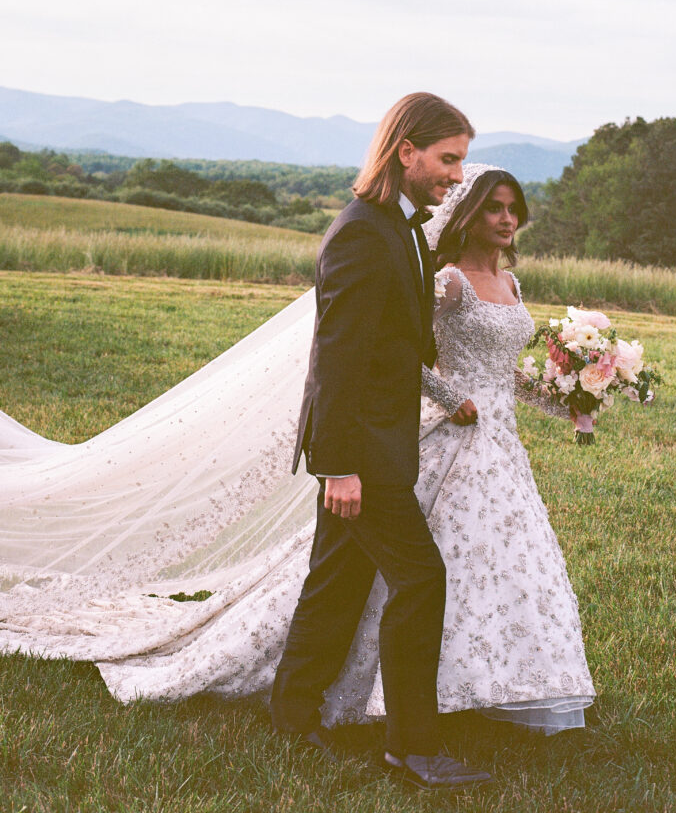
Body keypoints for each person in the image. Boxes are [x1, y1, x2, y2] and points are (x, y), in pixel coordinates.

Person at [0, 163, 594, 776]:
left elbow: (501, 373)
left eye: (512, 208)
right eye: (492, 205)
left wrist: (571, 395)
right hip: (424, 444)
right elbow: (391, 354)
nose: (506, 218)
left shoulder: (510, 283)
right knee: (411, 575)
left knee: (476, 566)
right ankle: (396, 730)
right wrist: (442, 401)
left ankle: (489, 688)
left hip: (496, 449)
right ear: (466, 212)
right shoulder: (435, 276)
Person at [269, 93, 493, 790]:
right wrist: (338, 467)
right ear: (407, 152)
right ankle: (413, 746)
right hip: (360, 453)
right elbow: (337, 359)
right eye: (448, 159)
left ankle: (290, 713)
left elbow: (398, 347)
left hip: (380, 444)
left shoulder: (403, 230)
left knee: (337, 580)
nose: (457, 175)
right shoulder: (366, 233)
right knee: (421, 579)